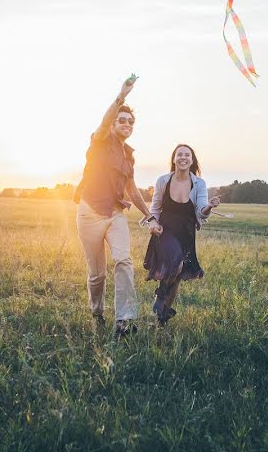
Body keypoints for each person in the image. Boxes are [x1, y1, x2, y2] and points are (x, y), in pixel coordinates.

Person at [74, 76, 155, 337]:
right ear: (112, 124)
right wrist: (121, 97)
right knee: (97, 274)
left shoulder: (128, 154)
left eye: (131, 122)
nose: (127, 124)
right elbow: (104, 123)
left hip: (116, 214)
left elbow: (132, 189)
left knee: (124, 261)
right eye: (122, 120)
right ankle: (96, 311)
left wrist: (150, 215)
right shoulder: (99, 142)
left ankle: (124, 321)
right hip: (90, 214)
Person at [143, 144, 220, 325]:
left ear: (192, 160)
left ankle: (162, 318)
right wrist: (152, 223)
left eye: (187, 155)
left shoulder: (199, 183)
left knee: (177, 275)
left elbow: (201, 211)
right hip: (165, 229)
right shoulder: (163, 180)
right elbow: (155, 206)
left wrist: (209, 206)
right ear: (174, 158)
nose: (183, 158)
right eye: (180, 155)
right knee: (175, 265)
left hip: (186, 232)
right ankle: (161, 295)